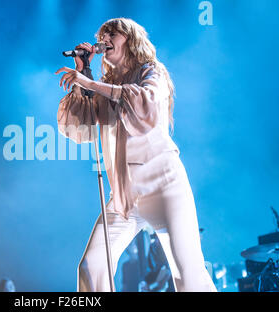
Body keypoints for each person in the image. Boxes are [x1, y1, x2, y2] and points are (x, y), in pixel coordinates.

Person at [55, 17, 216, 292]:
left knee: (188, 274)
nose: (104, 39)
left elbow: (143, 104)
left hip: (164, 185)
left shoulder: (152, 72)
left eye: (112, 34)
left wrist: (92, 85)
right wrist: (85, 72)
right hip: (124, 193)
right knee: (92, 266)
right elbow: (79, 127)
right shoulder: (105, 84)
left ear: (130, 39)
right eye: (102, 35)